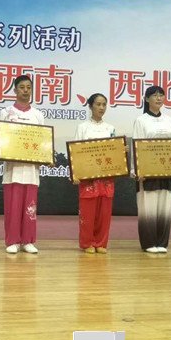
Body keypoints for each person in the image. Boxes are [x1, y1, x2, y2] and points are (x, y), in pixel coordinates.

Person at [0, 75, 43, 254]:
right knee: (12, 208)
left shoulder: (38, 115)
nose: (25, 90)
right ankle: (12, 241)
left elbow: (43, 141)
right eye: (22, 87)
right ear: (15, 90)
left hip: (31, 170)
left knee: (30, 207)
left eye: (28, 87)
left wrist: (47, 156)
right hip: (12, 169)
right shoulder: (5, 113)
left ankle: (28, 241)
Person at [132, 85, 171, 254]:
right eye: (154, 95)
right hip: (147, 172)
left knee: (164, 208)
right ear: (147, 99)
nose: (159, 98)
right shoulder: (141, 120)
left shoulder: (170, 121)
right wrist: (137, 171)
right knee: (148, 208)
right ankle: (148, 243)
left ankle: (162, 242)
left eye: (161, 95)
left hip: (166, 170)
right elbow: (136, 146)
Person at [73, 94, 118, 254]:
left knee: (104, 211)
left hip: (106, 176)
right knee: (88, 211)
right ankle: (87, 243)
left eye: (104, 104)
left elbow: (114, 151)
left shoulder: (110, 128)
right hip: (88, 176)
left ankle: (101, 242)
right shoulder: (82, 127)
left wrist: (122, 150)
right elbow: (76, 152)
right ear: (90, 106)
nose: (101, 108)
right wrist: (76, 173)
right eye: (98, 104)